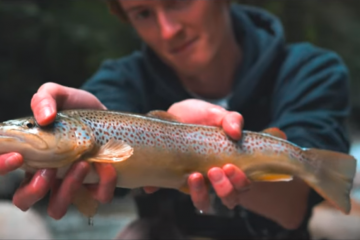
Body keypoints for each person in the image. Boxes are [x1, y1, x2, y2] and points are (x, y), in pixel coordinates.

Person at [0, 0, 351, 239]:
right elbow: (105, 118)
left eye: (178, 0)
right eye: (142, 13)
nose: (168, 30)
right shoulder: (119, 82)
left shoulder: (311, 71)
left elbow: (293, 209)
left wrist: (205, 153)